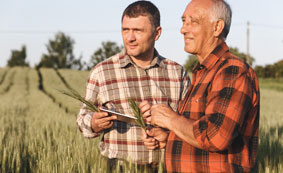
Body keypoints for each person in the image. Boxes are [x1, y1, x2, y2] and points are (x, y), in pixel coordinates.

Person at [140, 0, 260, 172]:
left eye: (193, 22)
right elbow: (200, 134)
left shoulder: (233, 71)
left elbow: (215, 136)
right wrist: (171, 138)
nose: (183, 29)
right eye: (183, 21)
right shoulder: (203, 73)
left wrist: (170, 119)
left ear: (217, 27)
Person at [77, 1, 190, 172]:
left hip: (167, 166)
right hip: (119, 167)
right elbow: (82, 119)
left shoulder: (177, 73)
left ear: (157, 33)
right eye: (125, 30)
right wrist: (93, 123)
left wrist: (168, 137)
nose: (130, 37)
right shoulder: (102, 71)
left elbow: (190, 125)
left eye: (138, 30)